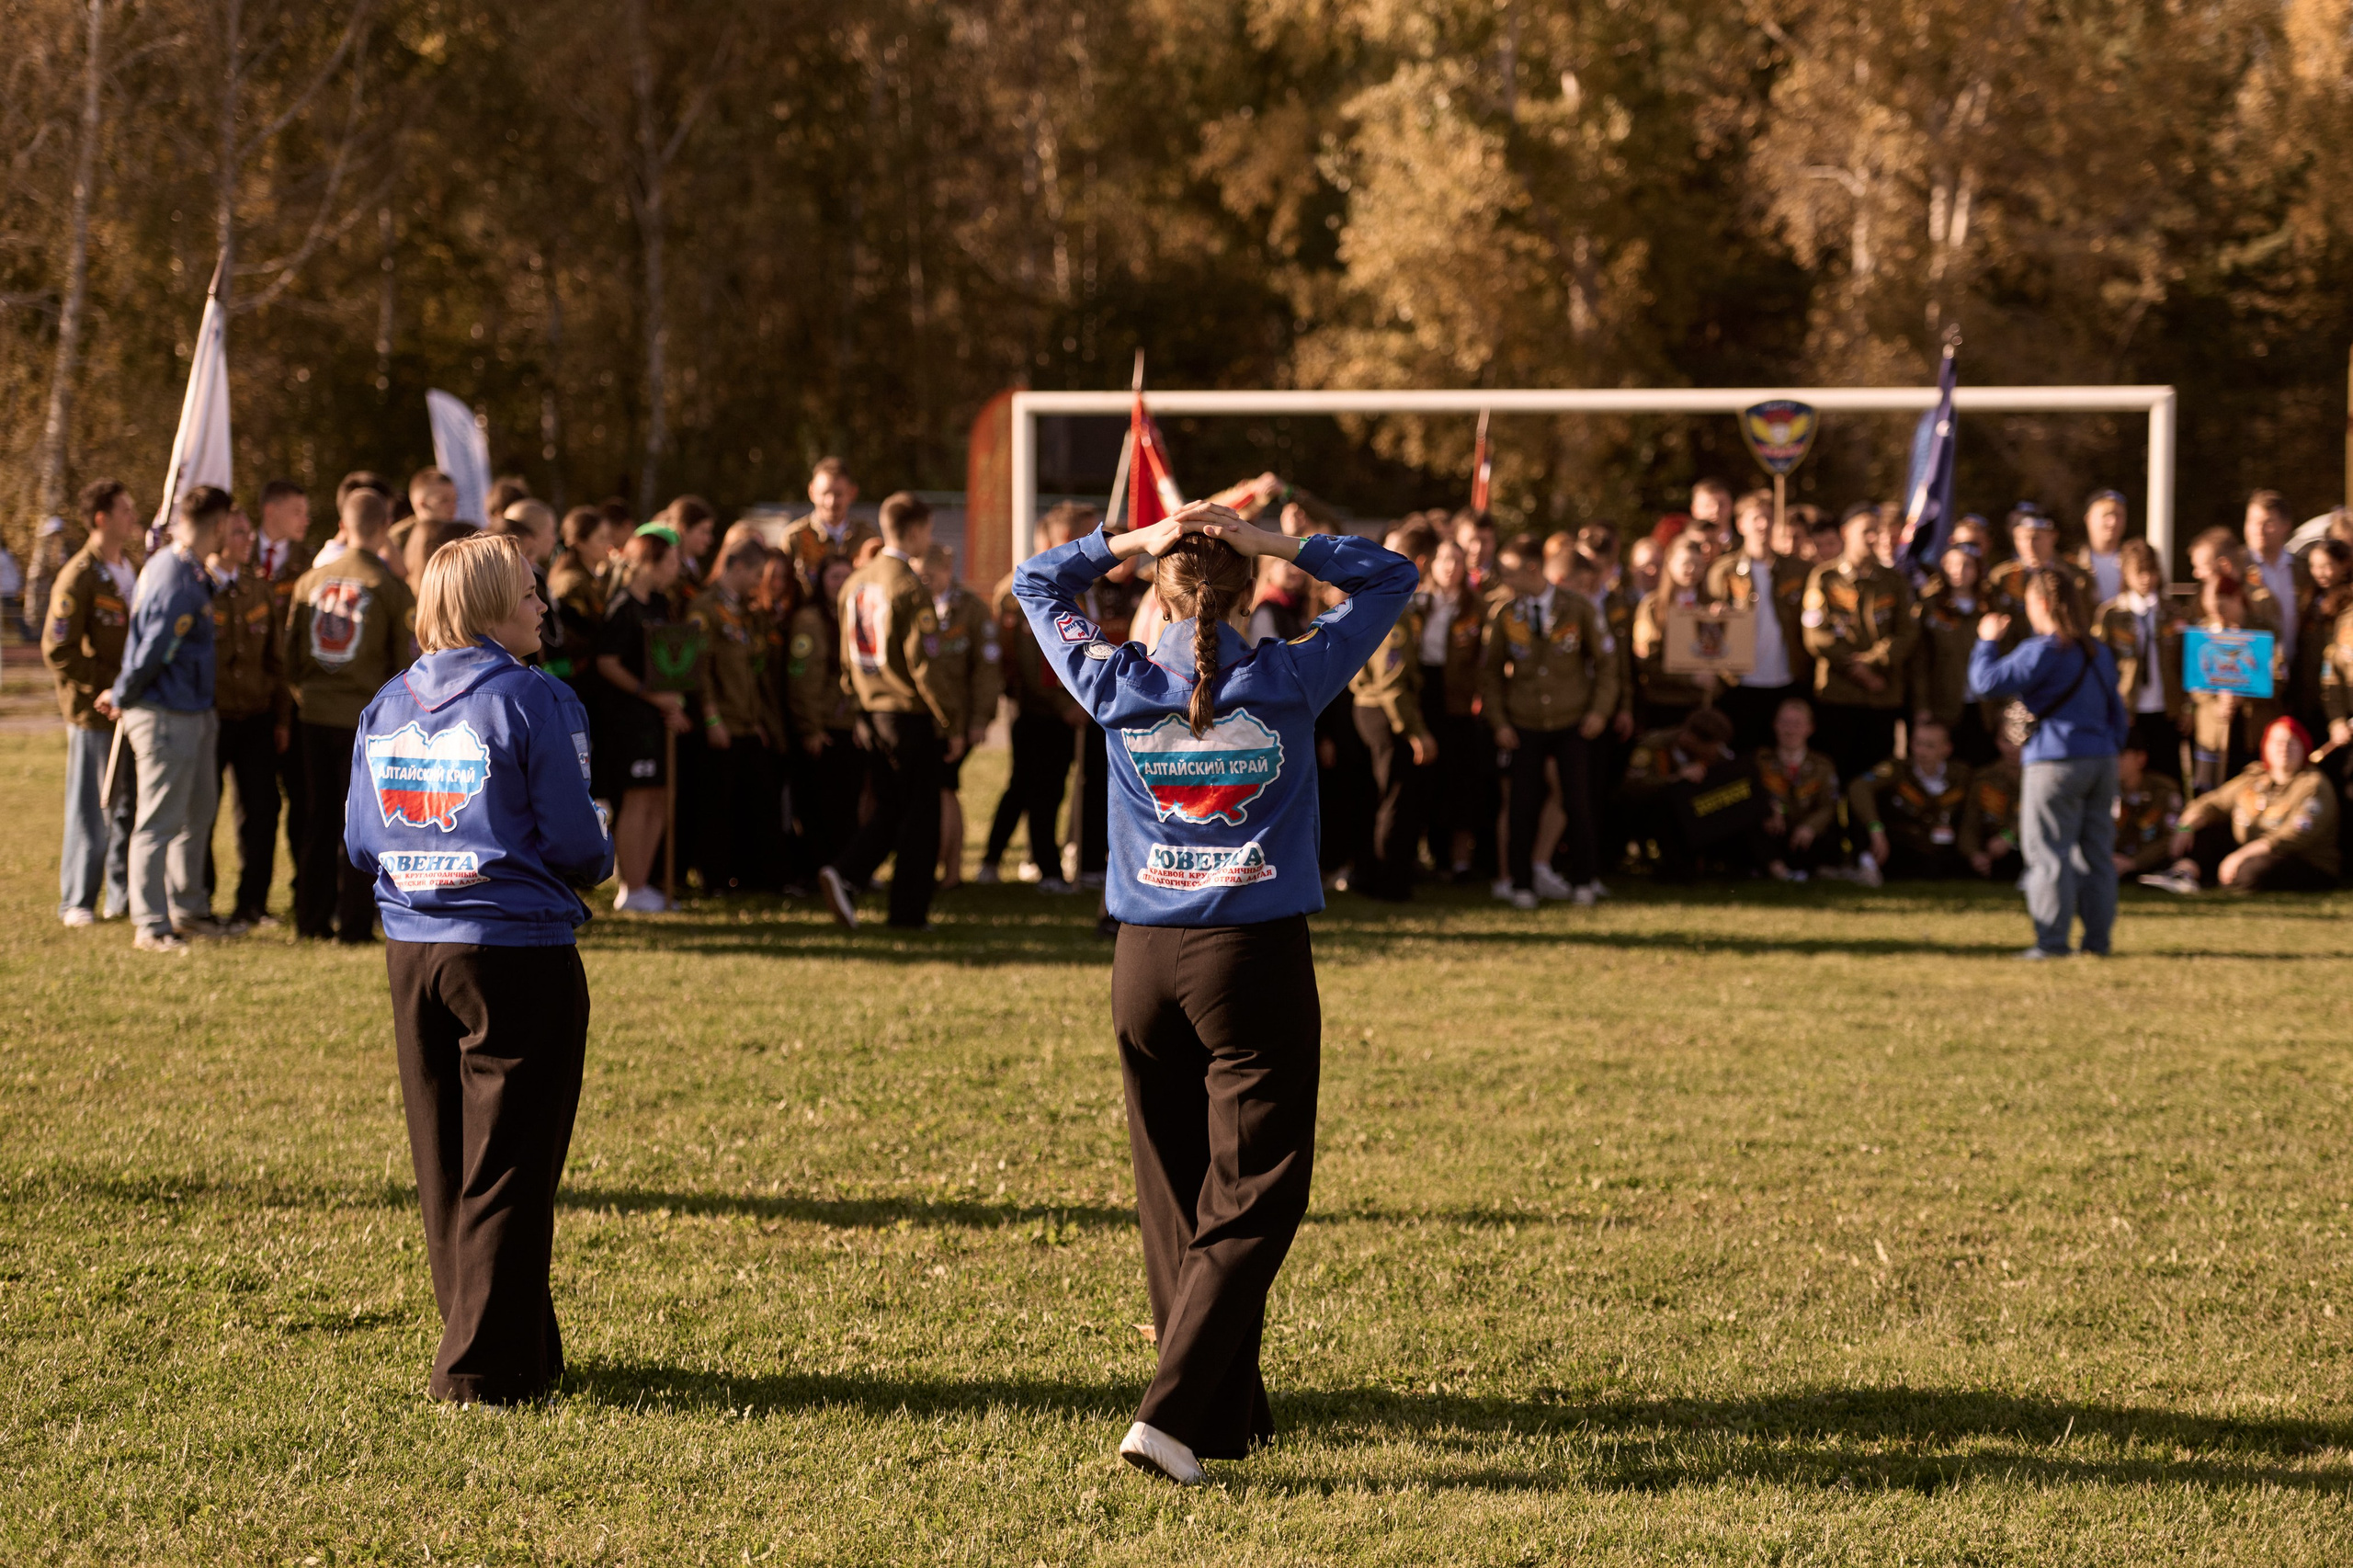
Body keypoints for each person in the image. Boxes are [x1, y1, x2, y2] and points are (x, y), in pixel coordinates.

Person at [1012, 498, 1415, 1485]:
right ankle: (1175, 1412)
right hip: (1251, 955)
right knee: (1256, 1188)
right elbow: (1389, 577)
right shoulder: (1285, 675)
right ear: (1244, 596)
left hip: (1144, 957)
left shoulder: (1115, 679)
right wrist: (1274, 543)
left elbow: (1033, 582)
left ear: (1158, 590)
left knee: (1175, 1191)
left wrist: (1129, 544)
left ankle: (1227, 1402)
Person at [347, 531, 612, 1407]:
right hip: (514, 951)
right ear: (492, 606)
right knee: (511, 1164)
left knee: (449, 1163)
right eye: (531, 593)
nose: (544, 606)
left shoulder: (385, 702)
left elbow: (358, 842)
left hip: (413, 948)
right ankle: (483, 1372)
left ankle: (518, 1341)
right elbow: (579, 847)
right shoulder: (535, 700)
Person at [1967, 566, 2130, 958]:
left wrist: (1986, 642)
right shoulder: (2099, 652)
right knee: (2096, 856)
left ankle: (2052, 943)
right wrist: (2111, 749)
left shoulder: (2042, 649)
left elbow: (1984, 682)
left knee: (2048, 854)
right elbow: (2118, 711)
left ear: (2040, 603)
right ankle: (2097, 943)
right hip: (2101, 759)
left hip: (2054, 761)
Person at [815, 492, 957, 930]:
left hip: (868, 710)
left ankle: (845, 872)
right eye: (928, 530)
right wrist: (949, 718)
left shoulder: (856, 580)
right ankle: (907, 914)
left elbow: (844, 656)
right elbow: (923, 664)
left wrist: (856, 704)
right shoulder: (909, 585)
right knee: (920, 816)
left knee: (892, 808)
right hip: (907, 713)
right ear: (914, 531)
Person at [284, 486, 416, 943]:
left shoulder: (309, 581)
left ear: (343, 521)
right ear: (383, 528)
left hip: (314, 716)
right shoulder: (389, 588)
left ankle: (310, 918)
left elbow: (291, 655)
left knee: (317, 818)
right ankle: (355, 923)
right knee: (360, 824)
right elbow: (404, 663)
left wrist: (308, 695)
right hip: (366, 722)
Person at [108, 485, 230, 952]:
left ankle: (189, 908)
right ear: (218, 525)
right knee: (159, 820)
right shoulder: (175, 575)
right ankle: (151, 922)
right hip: (164, 712)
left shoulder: (189, 570)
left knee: (195, 815)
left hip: (191, 710)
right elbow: (152, 650)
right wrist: (123, 695)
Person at [1482, 533, 1620, 910]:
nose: (1504, 580)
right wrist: (1499, 722)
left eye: (1509, 571)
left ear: (1531, 568)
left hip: (1572, 720)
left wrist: (1598, 712)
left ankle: (1584, 879)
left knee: (1578, 801)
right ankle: (1521, 884)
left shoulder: (1578, 608)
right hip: (1524, 722)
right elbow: (1491, 674)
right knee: (1522, 805)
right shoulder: (1506, 614)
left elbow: (1607, 665)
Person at [41, 478, 142, 927]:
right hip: (94, 713)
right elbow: (58, 649)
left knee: (128, 807)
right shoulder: (79, 575)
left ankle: (119, 896)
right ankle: (77, 899)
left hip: (131, 709)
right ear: (101, 518)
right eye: (124, 510)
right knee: (91, 805)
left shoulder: (129, 568)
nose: (132, 517)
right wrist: (102, 687)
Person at [983, 505, 1090, 888]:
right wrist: (1065, 705)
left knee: (1046, 786)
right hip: (1036, 709)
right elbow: (1033, 660)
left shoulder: (1078, 588)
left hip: (1065, 709)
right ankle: (1041, 867)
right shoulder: (1024, 588)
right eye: (1075, 539)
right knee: (1032, 787)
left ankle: (1001, 860)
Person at [594, 529, 692, 912]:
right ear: (649, 561)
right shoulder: (622, 607)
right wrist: (651, 696)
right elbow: (607, 663)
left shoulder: (660, 604)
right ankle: (630, 888)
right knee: (637, 798)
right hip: (628, 720)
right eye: (670, 562)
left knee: (659, 795)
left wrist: (672, 703)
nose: (676, 569)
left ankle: (645, 882)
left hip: (658, 718)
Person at [688, 538, 787, 892]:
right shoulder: (705, 608)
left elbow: (750, 670)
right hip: (722, 722)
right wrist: (712, 718)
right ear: (739, 567)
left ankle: (755, 876)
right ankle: (714, 878)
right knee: (718, 805)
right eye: (757, 574)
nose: (759, 582)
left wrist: (758, 718)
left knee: (757, 802)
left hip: (747, 722)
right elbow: (702, 670)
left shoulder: (746, 612)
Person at [2143, 715, 2336, 893]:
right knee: (2203, 833)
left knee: (2251, 872)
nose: (2283, 748)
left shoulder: (2314, 785)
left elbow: (2293, 836)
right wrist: (2185, 825)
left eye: (2291, 742)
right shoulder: (2254, 777)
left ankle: (2216, 879)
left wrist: (2242, 855)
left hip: (2298, 858)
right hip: (2250, 849)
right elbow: (2213, 803)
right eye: (2277, 742)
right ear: (2265, 747)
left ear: (2304, 747)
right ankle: (2183, 874)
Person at [207, 507, 289, 926]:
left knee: (260, 809)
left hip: (256, 717)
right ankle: (199, 900)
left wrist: (282, 719)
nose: (246, 540)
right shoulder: (198, 587)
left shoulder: (259, 588)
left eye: (248, 533)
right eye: (237, 532)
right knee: (202, 810)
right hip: (211, 717)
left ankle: (252, 904)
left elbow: (276, 661)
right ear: (218, 533)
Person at [1348, 521, 1438, 901]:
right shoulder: (1396, 604)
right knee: (1395, 797)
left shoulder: (1379, 594)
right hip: (1384, 710)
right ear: (1420, 561)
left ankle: (1372, 874)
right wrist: (1416, 731)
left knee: (1379, 795)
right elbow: (1392, 682)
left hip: (1370, 707)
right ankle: (1390, 882)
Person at [1802, 504, 1916, 787]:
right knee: (1834, 776)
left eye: (1877, 531)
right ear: (1845, 533)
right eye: (1867, 531)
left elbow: (1907, 632)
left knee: (1875, 779)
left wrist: (1874, 662)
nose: (1874, 537)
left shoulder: (1894, 581)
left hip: (1882, 696)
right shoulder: (1824, 577)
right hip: (1837, 698)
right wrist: (1857, 669)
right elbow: (1816, 635)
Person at [919, 542, 1002, 891]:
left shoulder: (971, 609)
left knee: (945, 788)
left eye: (929, 574)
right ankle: (943, 869)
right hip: (925, 716)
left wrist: (980, 719)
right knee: (939, 789)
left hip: (959, 719)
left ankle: (951, 871)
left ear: (945, 571)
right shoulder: (916, 605)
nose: (924, 581)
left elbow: (986, 669)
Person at [1706, 490, 1811, 754]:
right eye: (1756, 518)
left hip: (1786, 677)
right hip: (1739, 680)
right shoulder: (1723, 570)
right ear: (1741, 524)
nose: (1763, 525)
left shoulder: (1798, 570)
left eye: (1768, 517)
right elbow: (1706, 626)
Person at [1415, 537, 1492, 881]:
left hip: (1459, 700)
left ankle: (1458, 862)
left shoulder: (1475, 606)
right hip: (1422, 692)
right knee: (1424, 779)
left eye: (1457, 561)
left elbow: (1484, 657)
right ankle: (1427, 857)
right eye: (1444, 559)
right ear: (1432, 562)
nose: (1450, 567)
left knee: (1459, 781)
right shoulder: (1417, 601)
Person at [786, 555, 864, 879]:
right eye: (834, 577)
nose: (841, 583)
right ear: (821, 582)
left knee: (848, 806)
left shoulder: (856, 614)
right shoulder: (810, 620)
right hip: (823, 729)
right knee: (819, 806)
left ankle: (843, 871)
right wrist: (811, 728)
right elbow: (803, 679)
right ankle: (817, 870)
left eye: (847, 576)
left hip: (850, 727)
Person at [2093, 539, 2188, 781]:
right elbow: (2100, 665)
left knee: (2168, 773)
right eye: (2139, 572)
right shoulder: (2112, 614)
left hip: (2167, 708)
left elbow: (2186, 662)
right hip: (2129, 708)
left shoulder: (2173, 612)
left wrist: (2188, 707)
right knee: (2130, 775)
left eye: (2151, 572)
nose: (2146, 579)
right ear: (2125, 573)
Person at [1845, 720, 1972, 882]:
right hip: (1903, 846)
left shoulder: (1962, 775)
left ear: (1947, 748)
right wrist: (1875, 827)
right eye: (1917, 744)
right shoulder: (1897, 769)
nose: (1922, 751)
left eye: (1930, 746)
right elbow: (1858, 787)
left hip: (1943, 850)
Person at [1910, 539, 1999, 766]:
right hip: (1945, 705)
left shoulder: (1992, 605)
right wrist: (1922, 707)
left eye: (1967, 565)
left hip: (1985, 707)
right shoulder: (1930, 606)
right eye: (1952, 564)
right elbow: (1920, 662)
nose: (1959, 571)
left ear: (1979, 568)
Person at [1631, 533, 1716, 733]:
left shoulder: (1712, 606)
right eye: (1686, 563)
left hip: (1701, 704)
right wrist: (1691, 678)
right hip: (1663, 703)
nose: (1692, 570)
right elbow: (1646, 660)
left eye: (1698, 564)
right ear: (1670, 563)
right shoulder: (1653, 606)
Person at [1751, 697, 1837, 880]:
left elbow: (1828, 805)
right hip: (1773, 832)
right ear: (1775, 725)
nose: (1790, 730)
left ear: (1810, 728)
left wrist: (1810, 827)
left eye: (1797, 724)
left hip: (1805, 835)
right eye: (1785, 723)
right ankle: (1776, 869)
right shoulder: (1760, 762)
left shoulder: (1822, 765)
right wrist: (1767, 810)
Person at [1986, 504, 2092, 637]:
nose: (2029, 544)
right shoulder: (2001, 577)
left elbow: (2087, 619)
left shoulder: (2076, 576)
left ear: (2053, 536)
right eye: (2023, 538)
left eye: (2035, 537)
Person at [780, 458, 873, 591]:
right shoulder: (795, 538)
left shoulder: (866, 537)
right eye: (825, 493)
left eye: (838, 494)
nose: (831, 502)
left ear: (852, 492)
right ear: (811, 492)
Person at [2244, 490, 2302, 672]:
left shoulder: (2303, 570)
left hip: (2298, 677)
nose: (2258, 530)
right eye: (2252, 522)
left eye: (2267, 522)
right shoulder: (2236, 569)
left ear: (2286, 526)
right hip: (2253, 676)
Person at [2111, 739, 2185, 879]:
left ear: (2141, 758)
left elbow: (2173, 835)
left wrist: (2134, 862)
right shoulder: (2105, 790)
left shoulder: (2162, 790)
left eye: (2121, 755)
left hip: (2153, 864)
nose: (2115, 761)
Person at [1961, 734, 2024, 881]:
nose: (2013, 748)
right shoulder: (1984, 778)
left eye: (2020, 741)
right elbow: (1970, 821)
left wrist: (2008, 836)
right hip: (1995, 853)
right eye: (2007, 740)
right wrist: (1974, 853)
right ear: (1997, 742)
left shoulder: (2043, 778)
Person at [2073, 490, 2130, 606]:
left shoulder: (2135, 561)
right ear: (2088, 519)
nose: (2113, 522)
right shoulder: (2072, 562)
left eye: (2119, 515)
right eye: (2106, 515)